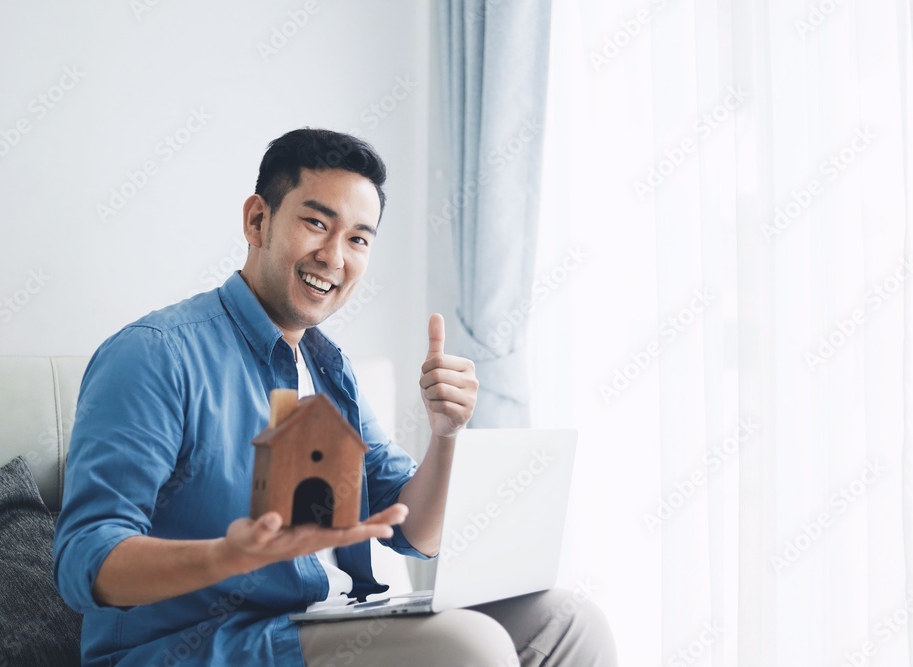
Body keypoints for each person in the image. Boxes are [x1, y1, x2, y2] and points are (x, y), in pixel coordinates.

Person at [53, 128, 617, 666]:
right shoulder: (155, 355)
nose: (334, 256)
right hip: (194, 649)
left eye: (357, 239)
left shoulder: (327, 367)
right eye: (316, 223)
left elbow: (414, 530)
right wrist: (229, 555)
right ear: (257, 220)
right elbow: (86, 559)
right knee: (467, 646)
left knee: (569, 619)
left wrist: (447, 436)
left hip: (319, 625)